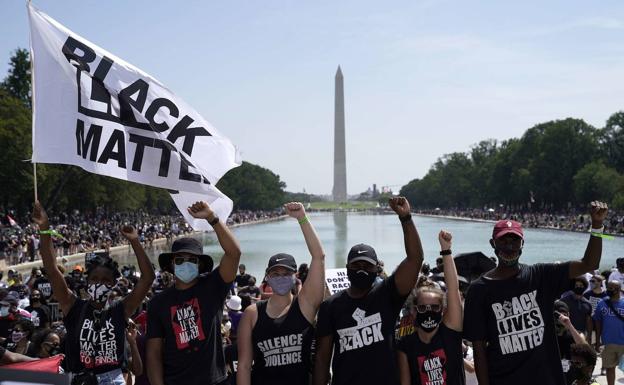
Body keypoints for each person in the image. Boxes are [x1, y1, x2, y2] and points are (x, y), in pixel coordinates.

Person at [463, 201, 608, 385]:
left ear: (522, 244)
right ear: (493, 243)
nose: (509, 246)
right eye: (503, 240)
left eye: (514, 240)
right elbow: (478, 347)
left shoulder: (541, 276)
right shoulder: (478, 290)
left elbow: (589, 264)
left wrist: (597, 225)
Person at [33, 201, 155, 385]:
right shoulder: (72, 305)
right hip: (79, 379)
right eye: (95, 279)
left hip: (112, 379)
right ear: (86, 281)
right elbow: (51, 269)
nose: (99, 284)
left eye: (106, 281)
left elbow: (147, 278)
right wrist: (44, 228)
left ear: (114, 284)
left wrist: (134, 241)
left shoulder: (120, 309)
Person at [313, 197, 424, 385]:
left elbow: (415, 259)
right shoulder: (330, 306)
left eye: (367, 265)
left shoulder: (388, 294)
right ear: (347, 268)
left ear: (376, 270)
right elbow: (323, 360)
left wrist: (406, 218)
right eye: (357, 265)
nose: (362, 269)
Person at [146, 201, 242, 385]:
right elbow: (153, 354)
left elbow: (234, 253)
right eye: (180, 260)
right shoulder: (158, 303)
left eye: (192, 260)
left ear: (200, 264)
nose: (185, 264)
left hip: (214, 381)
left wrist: (212, 218)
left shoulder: (214, 286)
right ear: (172, 264)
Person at [237, 202, 325, 385]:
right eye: (275, 274)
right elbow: (244, 365)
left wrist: (302, 218)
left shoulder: (305, 305)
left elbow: (319, 257)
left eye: (286, 274)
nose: (281, 278)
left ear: (295, 277)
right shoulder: (252, 314)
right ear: (267, 277)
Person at [396, 230, 464, 385]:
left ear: (443, 310)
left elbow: (453, 289)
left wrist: (446, 250)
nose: (428, 312)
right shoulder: (405, 345)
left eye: (434, 308)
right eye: (422, 308)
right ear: (413, 311)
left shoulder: (450, 334)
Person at [593, 280, 624, 385]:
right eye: (608, 287)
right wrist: (597, 341)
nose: (608, 290)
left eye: (611, 288)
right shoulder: (602, 303)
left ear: (619, 289)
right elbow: (598, 323)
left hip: (623, 343)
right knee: (610, 368)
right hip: (608, 342)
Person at [554, 301, 588, 385]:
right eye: (558, 316)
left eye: (564, 315)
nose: (561, 319)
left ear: (568, 315)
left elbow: (583, 345)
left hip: (571, 376)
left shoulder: (575, 333)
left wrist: (569, 325)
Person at [584, 274, 606, 344]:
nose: (591, 283)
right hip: (589, 322)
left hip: (601, 322)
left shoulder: (606, 295)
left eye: (593, 281)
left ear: (600, 282)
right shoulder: (587, 294)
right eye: (590, 281)